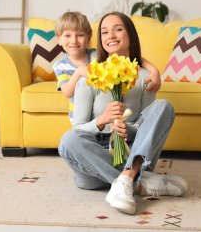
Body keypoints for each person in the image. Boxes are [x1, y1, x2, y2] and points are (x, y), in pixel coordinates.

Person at [58, 12, 188, 215]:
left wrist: (128, 129)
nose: (110, 35)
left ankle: (128, 176)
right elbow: (78, 129)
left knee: (164, 106)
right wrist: (101, 121)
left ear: (130, 35)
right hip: (94, 161)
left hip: (133, 155)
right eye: (104, 32)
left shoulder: (146, 78)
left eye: (118, 29)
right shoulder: (91, 76)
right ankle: (140, 184)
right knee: (68, 141)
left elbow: (147, 127)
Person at [53, 11, 161, 124]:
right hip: (80, 118)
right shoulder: (60, 65)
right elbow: (67, 92)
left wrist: (153, 70)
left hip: (102, 112)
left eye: (80, 35)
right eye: (67, 35)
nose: (73, 41)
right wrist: (79, 72)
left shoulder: (95, 55)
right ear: (59, 39)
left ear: (88, 38)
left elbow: (130, 59)